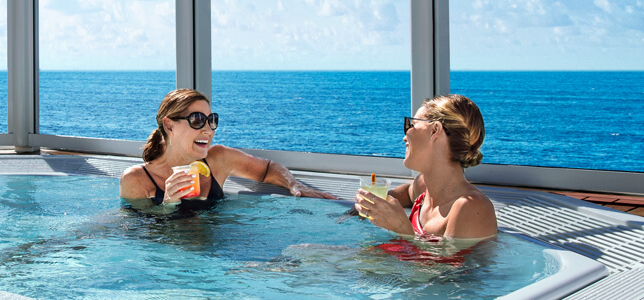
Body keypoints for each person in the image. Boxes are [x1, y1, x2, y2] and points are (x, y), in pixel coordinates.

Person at [119, 89, 336, 215]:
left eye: (211, 120)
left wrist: (293, 184)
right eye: (197, 120)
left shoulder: (218, 159)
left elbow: (267, 169)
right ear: (169, 126)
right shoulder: (137, 179)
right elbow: (135, 234)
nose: (208, 129)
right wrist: (167, 206)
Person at [355, 94, 497, 241]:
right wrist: (374, 203)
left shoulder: (471, 208)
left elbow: (449, 264)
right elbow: (407, 193)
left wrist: (402, 229)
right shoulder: (424, 186)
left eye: (412, 125)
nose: (405, 136)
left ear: (435, 130)